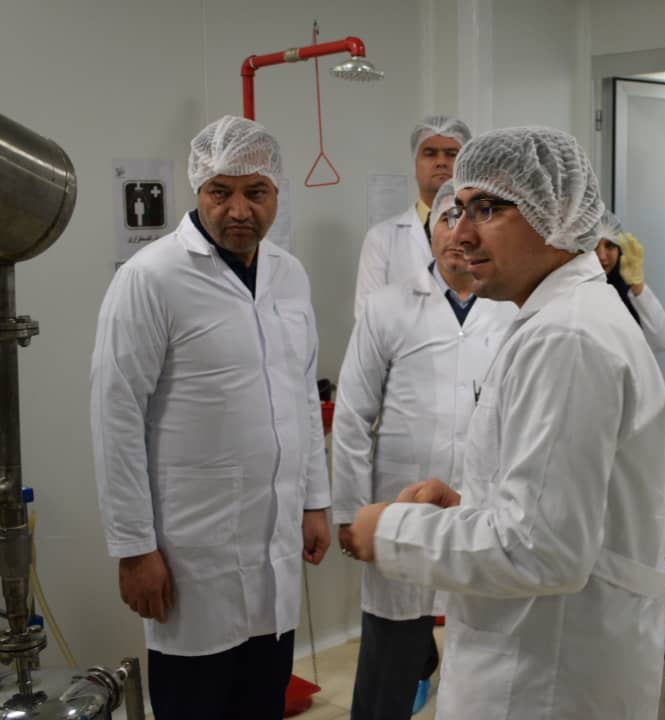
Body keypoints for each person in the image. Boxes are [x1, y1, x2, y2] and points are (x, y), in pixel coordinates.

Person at [341, 126, 665, 719]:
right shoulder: (556, 318)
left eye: (488, 210)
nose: (460, 234)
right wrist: (471, 505)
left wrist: (390, 530)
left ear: (556, 214)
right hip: (553, 651)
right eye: (458, 211)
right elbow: (555, 507)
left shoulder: (566, 338)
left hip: (545, 678)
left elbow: (541, 550)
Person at [90, 115, 331, 719]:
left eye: (257, 191)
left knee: (261, 698)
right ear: (198, 190)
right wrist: (134, 548)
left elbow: (302, 394)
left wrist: (314, 500)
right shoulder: (151, 277)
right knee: (196, 701)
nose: (239, 210)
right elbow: (116, 415)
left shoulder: (289, 274)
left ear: (277, 193)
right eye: (221, 192)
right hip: (190, 552)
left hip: (274, 542)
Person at [332, 181, 516, 719]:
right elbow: (352, 416)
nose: (458, 231)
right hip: (400, 504)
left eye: (471, 217)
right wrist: (350, 512)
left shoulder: (512, 310)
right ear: (430, 231)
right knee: (389, 652)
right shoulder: (387, 307)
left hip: (479, 507)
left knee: (480, 648)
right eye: (446, 218)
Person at [353, 115, 471, 319]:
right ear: (415, 165)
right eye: (430, 153)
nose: (441, 162)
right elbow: (367, 317)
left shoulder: (484, 233)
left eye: (451, 154)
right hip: (400, 341)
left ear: (466, 165)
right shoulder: (381, 238)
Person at [593, 211, 665, 352]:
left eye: (610, 245)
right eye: (594, 246)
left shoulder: (628, 288)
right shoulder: (573, 290)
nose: (602, 256)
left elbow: (664, 341)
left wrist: (638, 287)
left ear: (620, 249)